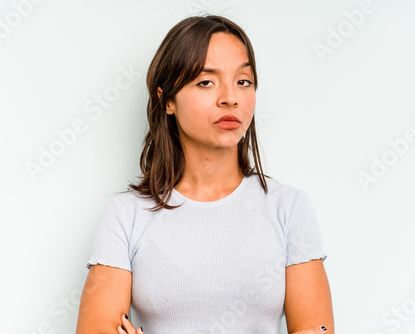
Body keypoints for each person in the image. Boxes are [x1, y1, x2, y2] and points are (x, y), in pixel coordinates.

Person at [76, 14, 334, 334]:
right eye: (206, 82)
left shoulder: (289, 207)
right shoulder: (126, 215)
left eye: (243, 81)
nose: (230, 97)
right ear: (167, 99)